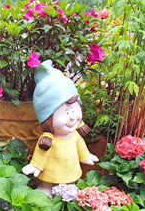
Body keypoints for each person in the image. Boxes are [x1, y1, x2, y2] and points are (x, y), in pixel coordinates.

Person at [22, 60, 98, 192]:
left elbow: (80, 146)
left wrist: (86, 156)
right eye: (66, 112)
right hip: (50, 175)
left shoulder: (74, 135)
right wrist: (35, 166)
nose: (73, 116)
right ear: (47, 118)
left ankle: (68, 191)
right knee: (46, 190)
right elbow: (41, 153)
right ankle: (46, 188)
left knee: (71, 191)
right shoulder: (48, 139)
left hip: (70, 173)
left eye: (74, 110)